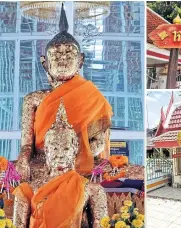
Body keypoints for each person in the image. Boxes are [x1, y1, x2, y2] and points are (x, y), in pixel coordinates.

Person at [13, 3, 113, 181]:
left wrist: (75, 155)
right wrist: (22, 159)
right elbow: (27, 146)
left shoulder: (93, 96)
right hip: (43, 162)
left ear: (80, 60)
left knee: (113, 169)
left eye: (69, 53)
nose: (63, 58)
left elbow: (98, 143)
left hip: (79, 162)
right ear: (45, 63)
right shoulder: (33, 100)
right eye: (56, 54)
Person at [13, 101, 107, 228]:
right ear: (46, 150)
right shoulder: (29, 190)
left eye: (66, 148)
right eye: (55, 148)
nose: (60, 154)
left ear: (75, 150)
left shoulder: (92, 190)